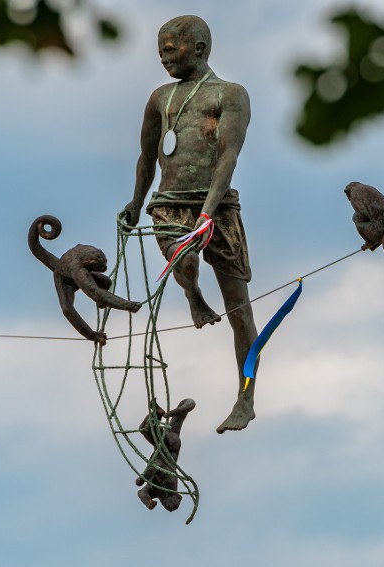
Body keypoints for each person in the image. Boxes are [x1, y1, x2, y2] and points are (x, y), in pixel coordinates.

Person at [120, 15, 258, 433]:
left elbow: (227, 158)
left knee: (240, 310)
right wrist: (135, 201)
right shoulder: (159, 98)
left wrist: (208, 213)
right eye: (159, 49)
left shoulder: (230, 94)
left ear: (198, 49)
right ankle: (194, 294)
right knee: (184, 260)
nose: (163, 56)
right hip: (170, 206)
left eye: (170, 48)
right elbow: (147, 157)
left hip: (216, 208)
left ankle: (246, 399)